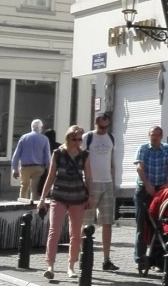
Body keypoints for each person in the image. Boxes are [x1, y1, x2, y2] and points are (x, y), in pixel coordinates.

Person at [37, 125, 92, 280]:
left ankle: (71, 266)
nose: (78, 142)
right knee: (54, 231)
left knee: (75, 234)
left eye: (80, 139)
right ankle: (50, 265)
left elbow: (88, 177)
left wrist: (91, 195)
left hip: (78, 197)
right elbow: (50, 176)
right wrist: (42, 198)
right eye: (75, 139)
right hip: (59, 195)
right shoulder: (58, 153)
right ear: (68, 138)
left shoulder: (84, 155)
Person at [133, 126, 168, 265]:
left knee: (159, 224)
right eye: (152, 134)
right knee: (142, 224)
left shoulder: (166, 148)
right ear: (149, 135)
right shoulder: (143, 148)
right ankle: (140, 257)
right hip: (144, 188)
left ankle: (157, 257)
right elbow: (139, 167)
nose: (155, 137)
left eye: (157, 135)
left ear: (161, 136)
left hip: (160, 189)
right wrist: (147, 185)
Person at [81, 112, 119, 271]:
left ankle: (106, 259)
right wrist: (86, 184)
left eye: (106, 126)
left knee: (107, 222)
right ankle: (85, 257)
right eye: (101, 127)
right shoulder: (87, 137)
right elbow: (84, 161)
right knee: (87, 222)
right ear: (95, 124)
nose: (104, 129)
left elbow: (111, 161)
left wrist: (114, 182)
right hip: (92, 182)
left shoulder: (111, 138)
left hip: (107, 183)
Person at [11, 119, 51, 200]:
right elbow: (47, 156)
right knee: (35, 189)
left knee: (24, 187)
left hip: (25, 167)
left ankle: (21, 206)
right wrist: (49, 169)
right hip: (38, 167)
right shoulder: (44, 139)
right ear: (41, 128)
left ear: (31, 127)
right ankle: (33, 207)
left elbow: (16, 155)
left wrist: (15, 169)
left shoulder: (24, 137)